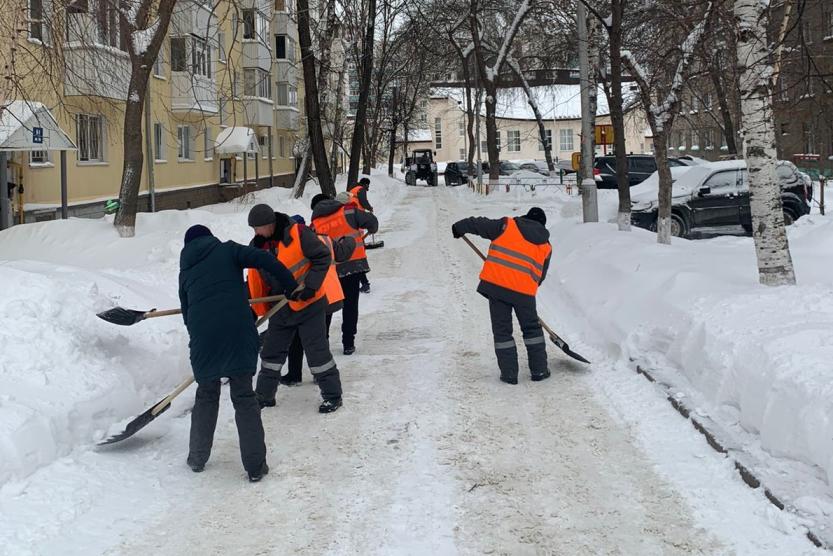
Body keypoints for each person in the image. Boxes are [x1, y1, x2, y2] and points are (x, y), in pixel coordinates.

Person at [178, 224, 299, 482]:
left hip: (204, 339)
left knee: (206, 396)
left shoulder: (185, 271)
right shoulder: (228, 250)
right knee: (244, 397)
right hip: (237, 332)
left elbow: (187, 314)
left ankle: (197, 458)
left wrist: (201, 338)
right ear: (210, 238)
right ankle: (255, 468)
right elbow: (264, 258)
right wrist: (289, 285)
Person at [246, 204, 345, 413]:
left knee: (317, 353)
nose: (256, 233)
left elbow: (322, 257)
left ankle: (333, 396)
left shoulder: (299, 234)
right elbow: (256, 279)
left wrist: (310, 286)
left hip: (309, 304)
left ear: (270, 225)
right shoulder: (257, 246)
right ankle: (264, 396)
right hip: (280, 309)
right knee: (271, 354)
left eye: (258, 228)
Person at [451, 207, 553, 384]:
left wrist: (460, 227)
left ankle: (509, 374)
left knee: (502, 331)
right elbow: (540, 277)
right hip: (524, 294)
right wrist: (522, 284)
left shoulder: (507, 226)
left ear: (525, 217)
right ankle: (539, 371)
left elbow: (479, 224)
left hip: (497, 288)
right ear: (542, 226)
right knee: (532, 330)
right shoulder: (546, 246)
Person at [281, 209, 356, 386]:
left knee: (299, 337)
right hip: (329, 295)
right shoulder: (324, 239)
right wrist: (350, 240)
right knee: (320, 336)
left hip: (311, 296)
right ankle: (318, 373)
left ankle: (295, 374)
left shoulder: (294, 245)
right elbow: (343, 252)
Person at [311, 192, 378, 355]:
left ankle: (323, 343)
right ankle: (348, 343)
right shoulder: (348, 211)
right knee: (350, 305)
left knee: (326, 307)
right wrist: (369, 231)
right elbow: (372, 223)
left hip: (330, 272)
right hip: (352, 266)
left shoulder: (314, 225)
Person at [348, 177, 374, 294]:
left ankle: (363, 283)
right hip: (356, 218)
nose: (368, 188)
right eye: (368, 185)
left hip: (350, 217)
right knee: (357, 249)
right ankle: (364, 283)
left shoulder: (353, 189)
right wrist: (369, 208)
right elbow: (363, 201)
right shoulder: (361, 189)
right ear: (365, 184)